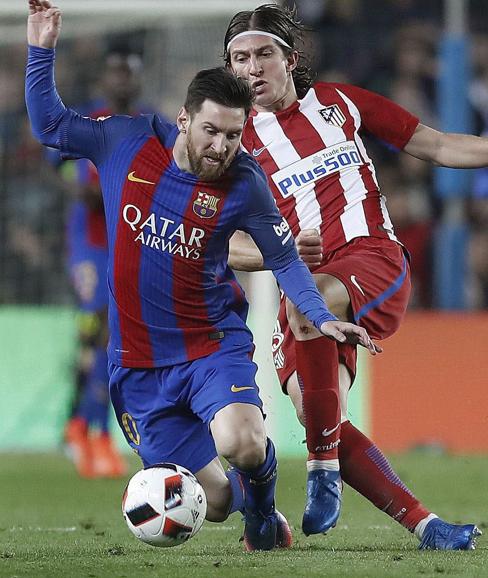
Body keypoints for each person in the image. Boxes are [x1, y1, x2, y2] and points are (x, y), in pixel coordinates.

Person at [25, 0, 378, 551]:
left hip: (211, 346)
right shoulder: (126, 141)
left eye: (234, 135)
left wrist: (318, 314)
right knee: (211, 502)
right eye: (211, 131)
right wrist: (40, 48)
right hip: (139, 364)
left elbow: (283, 258)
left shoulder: (244, 181)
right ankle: (245, 505)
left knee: (243, 442)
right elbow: (49, 124)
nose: (221, 148)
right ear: (185, 120)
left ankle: (262, 516)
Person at [224, 3, 483, 550]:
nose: (252, 68)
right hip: (301, 284)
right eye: (240, 59)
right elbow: (220, 244)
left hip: (371, 257)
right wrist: (276, 253)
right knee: (317, 411)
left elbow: (436, 145)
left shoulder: (338, 103)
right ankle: (428, 527)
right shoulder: (232, 142)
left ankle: (322, 471)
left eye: (264, 54)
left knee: (310, 309)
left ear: (290, 59)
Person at [60, 52, 148, 479]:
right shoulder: (88, 123)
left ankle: (86, 426)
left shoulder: (147, 123)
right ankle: (93, 433)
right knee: (101, 329)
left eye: (129, 73)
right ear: (104, 78)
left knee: (110, 339)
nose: (123, 81)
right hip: (90, 245)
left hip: (126, 245)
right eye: (116, 73)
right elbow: (81, 187)